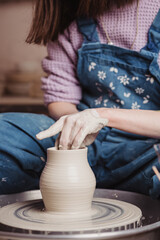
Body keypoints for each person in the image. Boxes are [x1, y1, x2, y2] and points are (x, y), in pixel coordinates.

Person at [0, 0, 160, 198]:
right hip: (88, 144)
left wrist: (99, 116)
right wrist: (75, 127)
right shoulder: (69, 9)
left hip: (149, 152)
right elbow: (61, 96)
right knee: (4, 134)